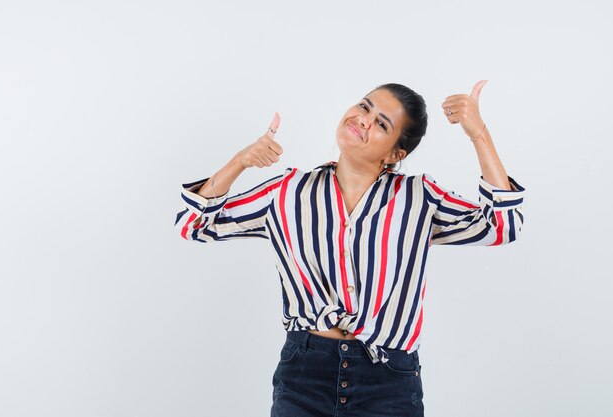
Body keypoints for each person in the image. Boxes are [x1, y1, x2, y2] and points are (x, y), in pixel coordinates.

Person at [174, 81, 526, 417]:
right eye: (364, 106)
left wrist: (479, 134)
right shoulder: (287, 192)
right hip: (303, 377)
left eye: (381, 123)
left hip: (389, 381)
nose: (363, 120)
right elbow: (192, 225)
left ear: (394, 153)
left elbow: (503, 226)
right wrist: (240, 161)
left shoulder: (420, 197)